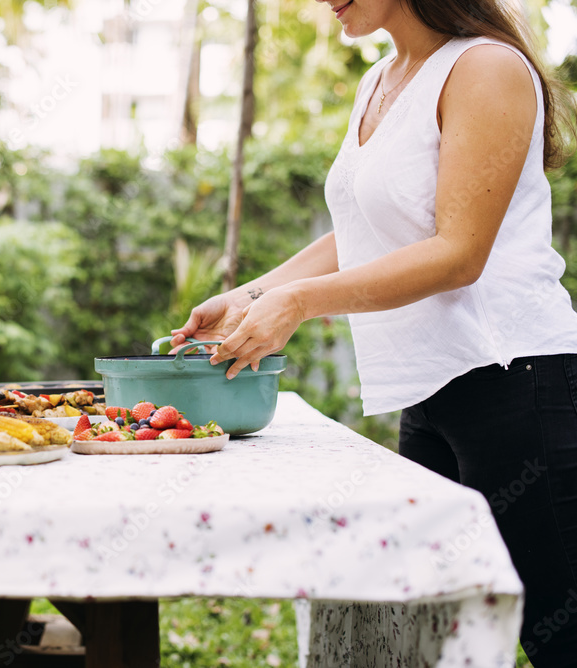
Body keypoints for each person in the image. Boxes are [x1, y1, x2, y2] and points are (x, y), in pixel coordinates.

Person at [170, 0, 577, 665]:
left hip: (517, 384)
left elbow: (457, 252)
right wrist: (250, 296)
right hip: (430, 393)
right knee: (420, 636)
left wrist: (298, 303)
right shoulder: (383, 79)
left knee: (559, 631)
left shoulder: (487, 69)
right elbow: (362, 232)